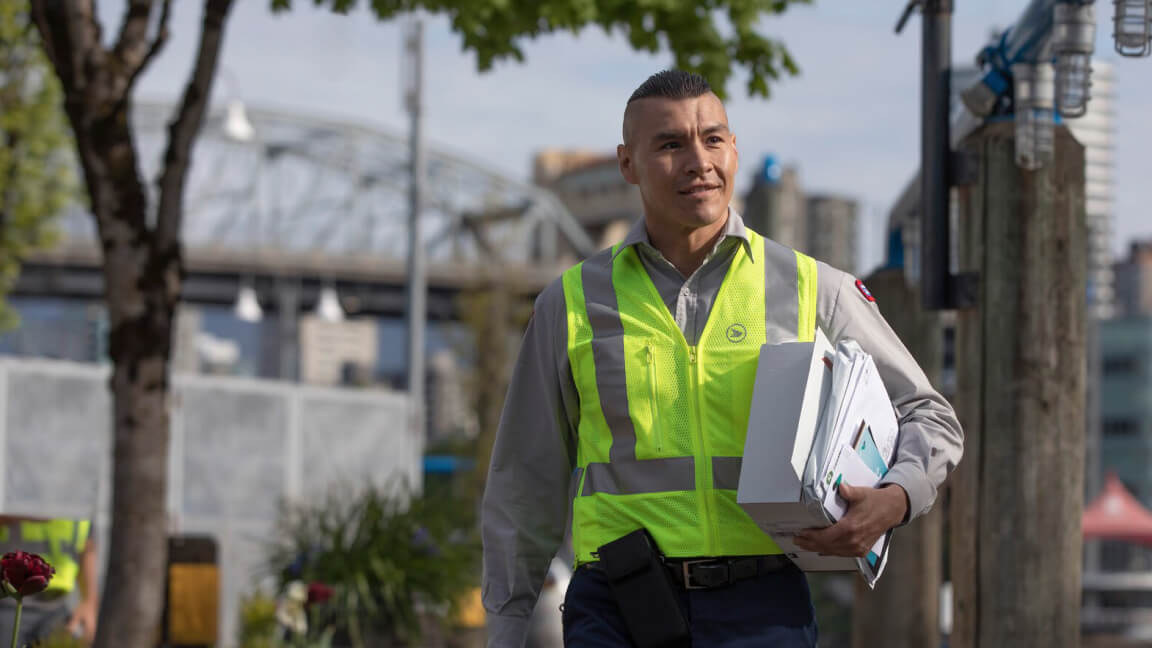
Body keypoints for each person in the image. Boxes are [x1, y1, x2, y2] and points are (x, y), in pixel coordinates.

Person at [481, 69, 963, 648]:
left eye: (713, 139)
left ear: (734, 149)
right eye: (669, 144)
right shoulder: (572, 303)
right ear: (627, 164)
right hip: (616, 607)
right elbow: (523, 482)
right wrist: (506, 631)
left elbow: (929, 414)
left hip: (764, 608)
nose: (697, 161)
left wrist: (896, 498)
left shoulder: (813, 287)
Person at [0, 517, 99, 646]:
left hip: (56, 607)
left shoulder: (79, 500)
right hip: (6, 604)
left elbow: (87, 546)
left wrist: (90, 602)